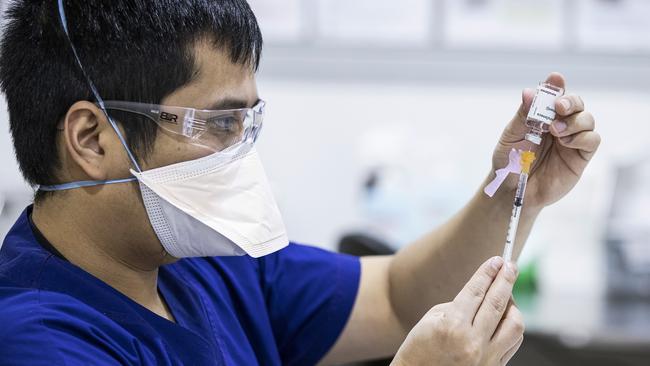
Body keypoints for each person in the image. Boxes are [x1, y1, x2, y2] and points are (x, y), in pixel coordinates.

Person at [0, 1, 600, 365]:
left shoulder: (199, 256)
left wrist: (516, 186)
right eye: (217, 123)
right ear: (92, 139)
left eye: (247, 121)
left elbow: (397, 298)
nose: (241, 152)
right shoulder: (37, 340)